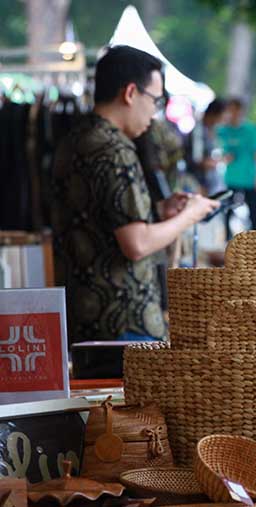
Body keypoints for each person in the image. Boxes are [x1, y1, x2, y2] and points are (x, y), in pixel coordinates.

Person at [51, 45, 219, 343]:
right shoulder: (115, 150)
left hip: (81, 316)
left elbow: (101, 219)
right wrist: (189, 216)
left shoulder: (75, 139)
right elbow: (137, 244)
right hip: (123, 320)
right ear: (130, 93)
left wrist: (158, 211)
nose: (154, 114)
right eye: (155, 100)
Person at [218, 97, 256, 237]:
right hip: (230, 178)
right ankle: (227, 241)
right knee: (227, 212)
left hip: (249, 178)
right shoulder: (222, 130)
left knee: (254, 213)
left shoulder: (251, 130)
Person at [185, 98, 227, 194]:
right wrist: (216, 162)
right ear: (214, 115)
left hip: (209, 183)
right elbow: (196, 160)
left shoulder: (211, 131)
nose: (222, 121)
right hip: (198, 183)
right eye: (221, 117)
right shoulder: (198, 131)